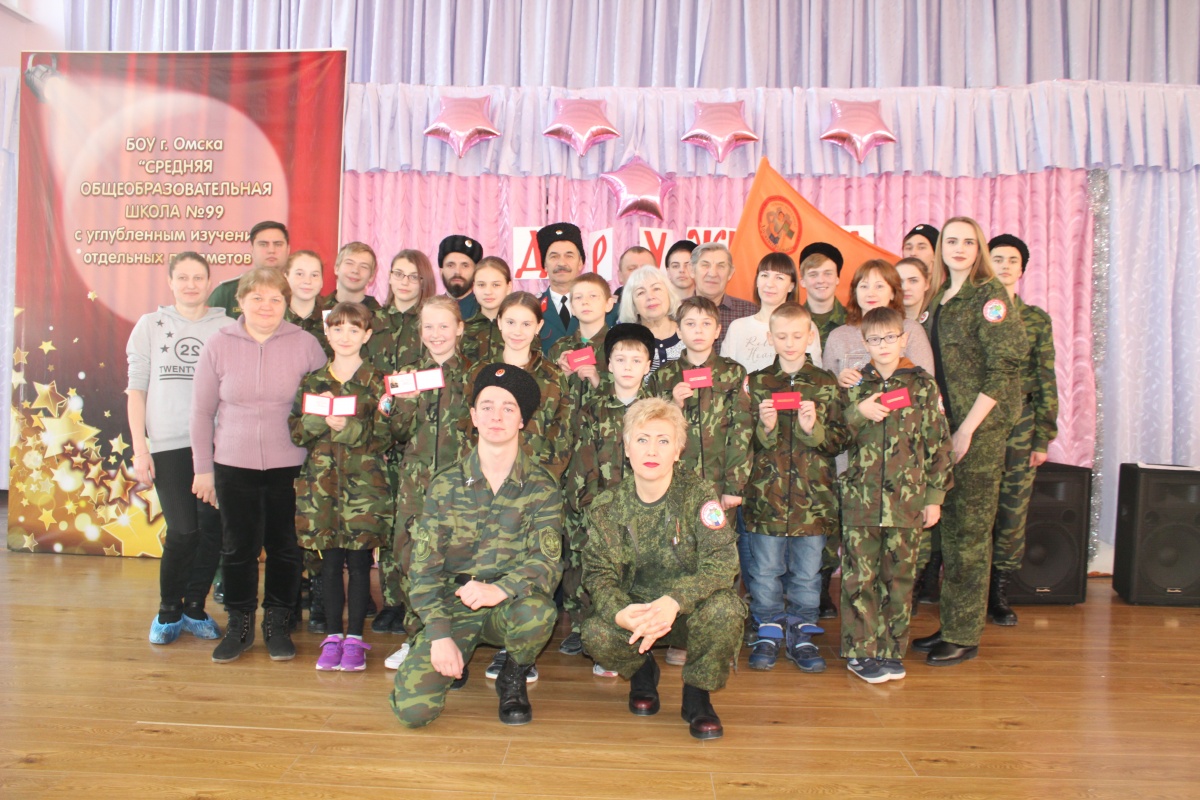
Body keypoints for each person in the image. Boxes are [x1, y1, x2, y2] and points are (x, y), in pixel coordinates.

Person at [390, 364, 563, 728]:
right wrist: (439, 635)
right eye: (487, 406)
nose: (496, 416)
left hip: (510, 604)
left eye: (508, 408)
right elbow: (423, 569)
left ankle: (513, 673)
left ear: (522, 420)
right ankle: (456, 651)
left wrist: (501, 588)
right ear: (473, 416)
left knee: (538, 612)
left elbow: (546, 563)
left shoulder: (541, 486)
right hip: (454, 604)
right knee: (413, 712)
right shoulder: (446, 484)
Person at [581, 398, 745, 740]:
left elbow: (722, 562)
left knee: (726, 610)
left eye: (663, 440)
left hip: (688, 612)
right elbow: (598, 575)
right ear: (627, 448)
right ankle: (642, 672)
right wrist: (621, 613)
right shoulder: (607, 507)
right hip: (638, 615)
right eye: (642, 439)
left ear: (678, 450)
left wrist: (675, 600)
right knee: (595, 632)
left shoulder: (699, 496)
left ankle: (697, 694)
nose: (652, 450)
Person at [191, 267, 327, 663]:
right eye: (257, 298)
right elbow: (201, 413)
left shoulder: (306, 345)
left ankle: (278, 623)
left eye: (275, 299)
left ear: (287, 303)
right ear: (240, 302)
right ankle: (240, 624)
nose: (266, 306)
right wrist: (203, 469)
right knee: (238, 549)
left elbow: (324, 404)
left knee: (286, 548)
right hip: (233, 465)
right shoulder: (218, 344)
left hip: (292, 466)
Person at [911, 216, 1025, 667]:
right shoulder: (941, 296)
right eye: (951, 241)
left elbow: (1004, 369)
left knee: (970, 538)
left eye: (968, 242)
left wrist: (967, 429)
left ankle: (963, 634)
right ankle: (952, 624)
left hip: (975, 434)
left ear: (979, 249)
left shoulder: (989, 297)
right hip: (943, 431)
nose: (958, 248)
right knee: (950, 534)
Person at [839, 307, 954, 682]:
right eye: (875, 339)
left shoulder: (923, 385)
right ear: (865, 343)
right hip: (862, 501)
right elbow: (832, 438)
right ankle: (860, 651)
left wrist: (934, 497)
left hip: (907, 502)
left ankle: (890, 650)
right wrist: (858, 412)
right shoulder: (855, 385)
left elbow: (939, 444)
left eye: (890, 337)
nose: (883, 344)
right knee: (859, 579)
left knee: (900, 579)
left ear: (903, 339)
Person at [819, 259, 936, 618]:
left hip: (899, 462)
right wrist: (839, 384)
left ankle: (894, 614)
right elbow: (827, 398)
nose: (871, 292)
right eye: (863, 285)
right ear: (853, 292)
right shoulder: (839, 335)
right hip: (851, 459)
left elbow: (923, 389)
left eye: (879, 285)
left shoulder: (910, 330)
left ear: (893, 291)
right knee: (854, 549)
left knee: (896, 556)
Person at [129, 252, 232, 645]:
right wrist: (141, 450)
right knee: (184, 531)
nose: (191, 284)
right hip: (169, 445)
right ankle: (168, 610)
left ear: (209, 283)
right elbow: (136, 390)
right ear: (170, 282)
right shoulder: (150, 325)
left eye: (198, 277)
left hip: (218, 446)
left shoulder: (227, 327)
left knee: (211, 531)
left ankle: (194, 608)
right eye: (183, 277)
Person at [289, 302, 392, 671]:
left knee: (360, 565)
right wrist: (320, 420)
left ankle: (356, 640)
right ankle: (333, 637)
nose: (345, 336)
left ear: (366, 335)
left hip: (365, 491)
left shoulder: (379, 381)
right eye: (337, 329)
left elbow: (387, 434)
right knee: (329, 565)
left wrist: (347, 427)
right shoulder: (313, 382)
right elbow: (296, 431)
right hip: (321, 490)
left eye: (354, 329)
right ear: (327, 333)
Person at [742, 302, 843, 674]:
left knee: (807, 574)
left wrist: (813, 429)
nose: (789, 343)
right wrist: (765, 429)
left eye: (797, 335)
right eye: (781, 336)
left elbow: (840, 440)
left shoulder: (826, 383)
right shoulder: (756, 383)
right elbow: (741, 442)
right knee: (765, 572)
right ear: (769, 338)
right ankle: (768, 632)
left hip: (813, 501)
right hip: (766, 499)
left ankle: (802, 634)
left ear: (810, 336)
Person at [380, 297, 476, 660]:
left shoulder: (473, 374)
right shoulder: (406, 375)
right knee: (411, 556)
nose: (436, 334)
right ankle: (416, 637)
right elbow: (396, 433)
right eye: (428, 327)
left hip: (461, 484)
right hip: (415, 485)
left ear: (459, 328)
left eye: (444, 326)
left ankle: (455, 637)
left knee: (459, 556)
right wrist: (406, 401)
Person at [560, 323, 657, 663]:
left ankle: (637, 629)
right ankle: (582, 626)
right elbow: (581, 461)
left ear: (647, 367)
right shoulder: (593, 408)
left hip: (644, 508)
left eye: (636, 360)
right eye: (621, 360)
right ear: (609, 365)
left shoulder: (656, 412)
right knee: (586, 566)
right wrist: (587, 507)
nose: (628, 367)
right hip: (597, 506)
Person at [987, 233, 1059, 627]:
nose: (1005, 266)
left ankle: (998, 592)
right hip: (981, 421)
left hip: (1021, 421)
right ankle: (971, 586)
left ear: (1022, 269)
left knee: (1012, 509)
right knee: (977, 509)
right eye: (997, 259)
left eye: (1012, 260)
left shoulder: (1035, 319)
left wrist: (1042, 434)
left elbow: (1046, 376)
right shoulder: (975, 313)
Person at [721, 252, 822, 373]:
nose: (769, 284)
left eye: (779, 278)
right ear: (757, 281)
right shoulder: (737, 328)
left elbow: (814, 376)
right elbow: (725, 376)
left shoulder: (805, 326)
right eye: (764, 275)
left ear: (791, 286)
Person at [549, 273, 617, 404]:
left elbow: (628, 399)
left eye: (593, 296)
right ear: (572, 308)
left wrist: (598, 382)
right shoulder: (559, 348)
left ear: (608, 304)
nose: (585, 302)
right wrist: (560, 376)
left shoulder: (618, 347)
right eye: (578, 297)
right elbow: (546, 401)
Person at [365, 249, 435, 376]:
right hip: (376, 388)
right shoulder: (370, 320)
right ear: (390, 277)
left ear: (423, 281)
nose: (404, 282)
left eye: (414, 277)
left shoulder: (432, 323)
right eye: (398, 274)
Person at [207, 220, 290, 318]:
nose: (271, 250)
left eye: (278, 244)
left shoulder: (299, 289)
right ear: (251, 249)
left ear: (288, 249)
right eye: (263, 244)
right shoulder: (227, 292)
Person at [690, 242, 757, 353]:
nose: (712, 273)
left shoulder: (750, 313)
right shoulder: (676, 313)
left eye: (721, 266)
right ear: (692, 270)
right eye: (705, 265)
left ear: (730, 273)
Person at [617, 266, 684, 373]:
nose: (650, 297)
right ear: (633, 305)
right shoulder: (623, 341)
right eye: (641, 293)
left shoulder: (689, 332)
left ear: (669, 294)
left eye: (656, 289)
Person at [536, 222, 587, 352]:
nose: (562, 263)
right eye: (554, 256)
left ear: (580, 263)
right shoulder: (532, 308)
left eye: (569, 256)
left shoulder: (601, 307)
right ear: (544, 265)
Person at [461, 256, 511, 366]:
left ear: (509, 287)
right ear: (473, 287)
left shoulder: (518, 329)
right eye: (481, 285)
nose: (488, 291)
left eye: (496, 285)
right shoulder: (462, 330)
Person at [798, 242, 845, 349]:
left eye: (827, 273)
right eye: (813, 274)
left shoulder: (855, 322)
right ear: (802, 281)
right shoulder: (789, 321)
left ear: (837, 279)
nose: (821, 280)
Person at [284, 250, 331, 355]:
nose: (307, 281)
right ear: (286, 276)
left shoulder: (333, 318)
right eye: (300, 274)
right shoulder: (274, 316)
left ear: (322, 281)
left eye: (314, 275)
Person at [439, 234, 484, 320]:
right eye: (450, 265)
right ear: (441, 271)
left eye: (465, 265)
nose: (457, 272)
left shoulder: (484, 311)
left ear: (476, 271)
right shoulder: (429, 310)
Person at [328, 242, 381, 311]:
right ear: (337, 268)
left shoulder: (380, 316)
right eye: (349, 263)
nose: (355, 270)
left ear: (371, 276)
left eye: (364, 266)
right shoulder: (317, 310)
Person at [896, 256, 934, 323]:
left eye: (913, 281)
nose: (905, 288)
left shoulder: (937, 318)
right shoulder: (884, 320)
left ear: (926, 284)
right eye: (899, 281)